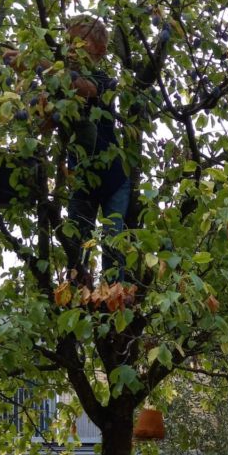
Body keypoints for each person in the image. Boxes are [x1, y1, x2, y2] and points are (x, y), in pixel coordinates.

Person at [64, 15, 131, 281]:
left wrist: (36, 63)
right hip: (81, 176)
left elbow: (83, 88)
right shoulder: (61, 83)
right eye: (69, 42)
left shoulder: (104, 82)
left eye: (80, 42)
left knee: (114, 246)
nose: (73, 48)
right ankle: (78, 298)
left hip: (114, 177)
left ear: (100, 51)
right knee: (75, 245)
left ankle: (116, 299)